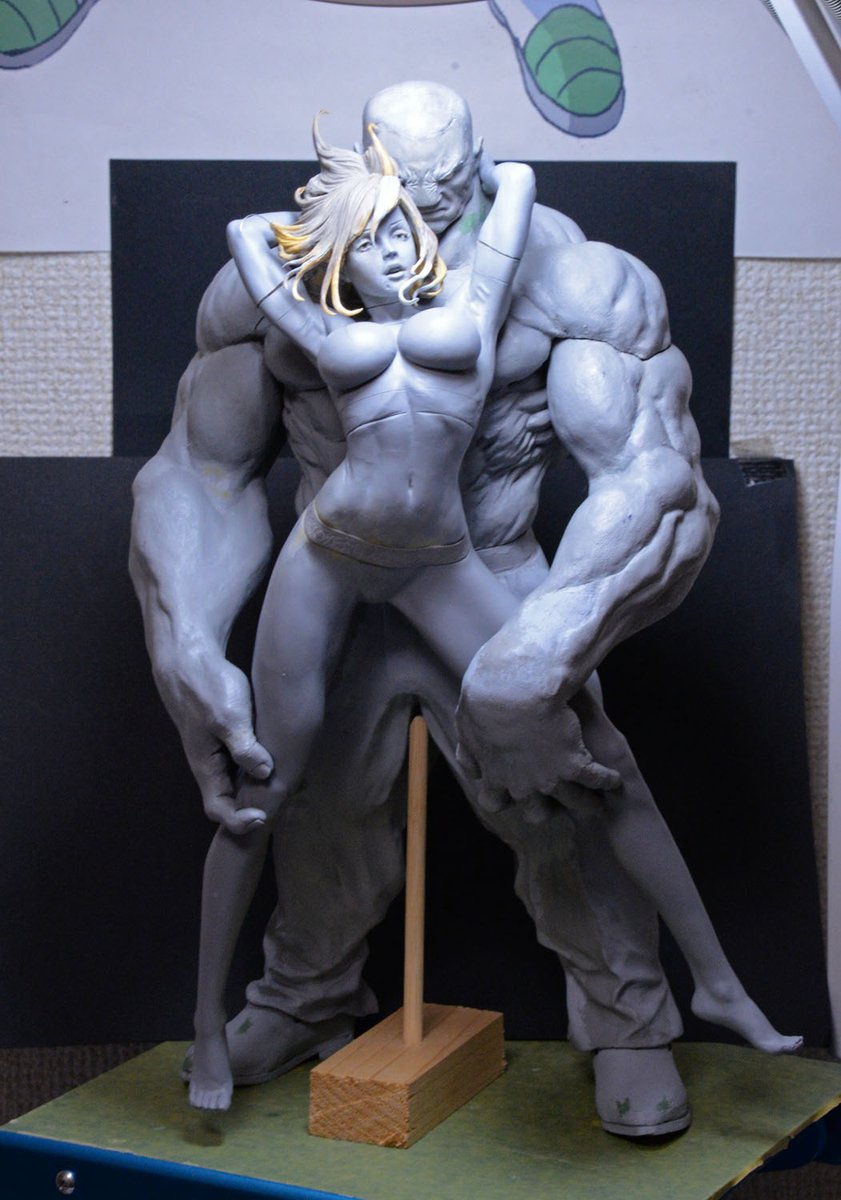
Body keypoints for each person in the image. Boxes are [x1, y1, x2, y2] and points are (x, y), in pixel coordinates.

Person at [130, 82, 799, 1138]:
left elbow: (655, 484)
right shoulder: (280, 289)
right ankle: (301, 998)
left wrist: (548, 646)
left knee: (568, 781)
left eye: (444, 188)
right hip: (337, 575)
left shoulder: (571, 283)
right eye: (399, 191)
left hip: (487, 568)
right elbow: (200, 472)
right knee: (290, 795)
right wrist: (186, 637)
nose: (423, 216)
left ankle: (629, 1015)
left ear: (479, 165)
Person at [188, 118, 538, 1109]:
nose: (397, 239)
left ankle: (669, 997)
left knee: (561, 742)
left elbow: (513, 194)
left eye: (404, 222)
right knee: (267, 781)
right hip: (331, 550)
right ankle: (215, 1020)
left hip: (446, 556)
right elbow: (246, 242)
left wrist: (487, 178)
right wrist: (326, 217)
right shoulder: (320, 325)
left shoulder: (487, 293)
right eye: (371, 234)